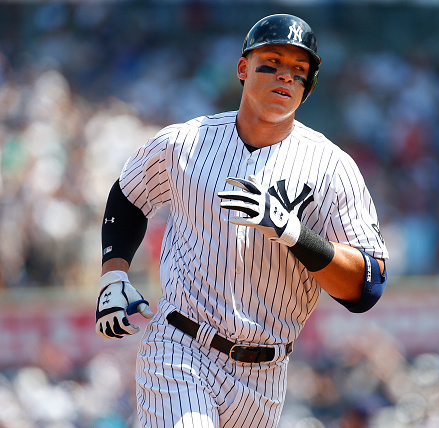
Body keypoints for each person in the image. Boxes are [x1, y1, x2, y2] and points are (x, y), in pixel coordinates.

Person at [95, 13, 389, 428]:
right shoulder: (184, 142)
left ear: (309, 86)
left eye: (299, 70)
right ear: (242, 68)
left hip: (265, 374)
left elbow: (367, 286)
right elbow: (127, 197)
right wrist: (113, 275)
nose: (285, 77)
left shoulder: (331, 168)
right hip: (181, 345)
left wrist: (294, 233)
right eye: (272, 62)